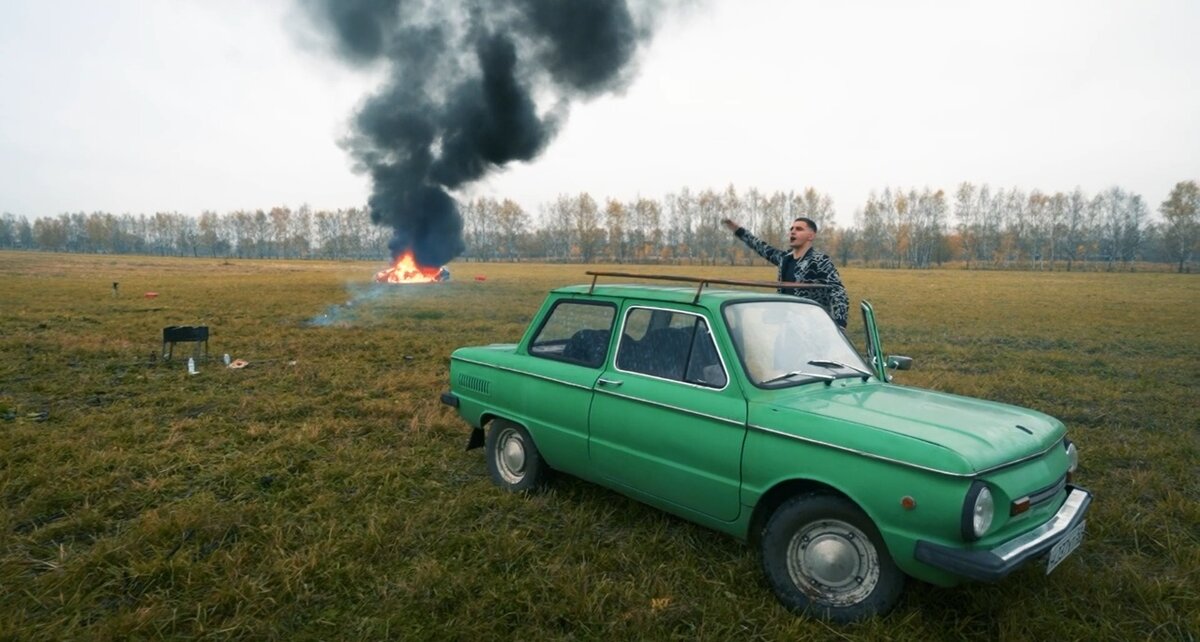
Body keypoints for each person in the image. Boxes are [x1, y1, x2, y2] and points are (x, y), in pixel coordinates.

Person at [723, 217, 849, 328]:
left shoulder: (819, 261)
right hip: (786, 326)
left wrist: (840, 324)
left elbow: (838, 291)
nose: (793, 231)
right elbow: (760, 247)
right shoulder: (784, 258)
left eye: (799, 229)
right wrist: (738, 230)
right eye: (791, 229)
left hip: (812, 327)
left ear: (811, 236)